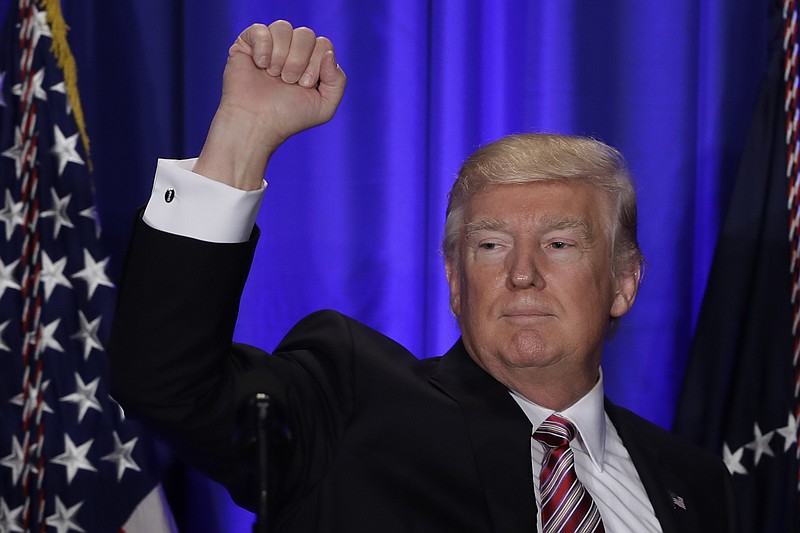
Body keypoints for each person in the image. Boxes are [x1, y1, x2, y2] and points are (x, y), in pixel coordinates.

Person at [108, 21, 737, 532]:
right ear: (456, 282)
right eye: (490, 245)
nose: (522, 274)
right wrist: (242, 138)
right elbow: (166, 381)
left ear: (625, 283)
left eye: (560, 243)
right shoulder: (349, 401)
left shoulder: (695, 482)